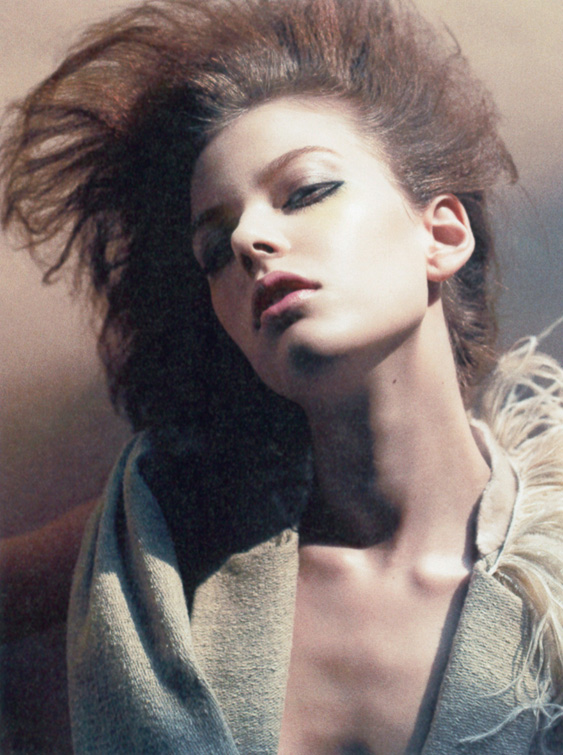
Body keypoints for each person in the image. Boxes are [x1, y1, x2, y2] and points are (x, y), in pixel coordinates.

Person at [1, 0, 562, 752]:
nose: (249, 239)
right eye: (214, 250)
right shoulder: (168, 540)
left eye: (305, 192)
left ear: (441, 233)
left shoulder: (548, 587)